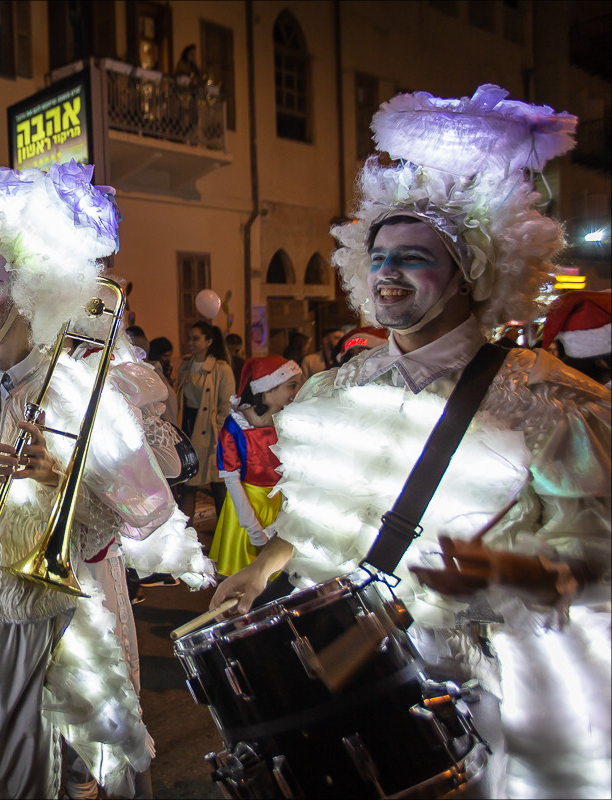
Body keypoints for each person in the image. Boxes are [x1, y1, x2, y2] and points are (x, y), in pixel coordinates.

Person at [211, 85, 609, 798]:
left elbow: (599, 555)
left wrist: (508, 571)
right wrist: (265, 566)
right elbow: (326, 515)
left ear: (471, 271)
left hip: (489, 693)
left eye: (415, 257)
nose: (388, 272)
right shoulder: (333, 391)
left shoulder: (547, 401)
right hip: (346, 676)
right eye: (379, 256)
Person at [0, 162, 213, 799]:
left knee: (27, 780)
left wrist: (58, 477)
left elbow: (135, 513)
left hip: (27, 614)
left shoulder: (80, 392)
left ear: (31, 294)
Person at [209, 355, 300, 578]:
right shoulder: (236, 425)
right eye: (291, 386)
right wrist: (253, 528)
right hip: (246, 508)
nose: (297, 392)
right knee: (245, 577)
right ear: (269, 388)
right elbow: (231, 479)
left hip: (281, 506)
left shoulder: (289, 420)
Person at [173, 320, 234, 518]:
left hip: (211, 432)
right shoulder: (185, 367)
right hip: (188, 427)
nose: (190, 342)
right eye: (190, 338)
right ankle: (185, 531)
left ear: (208, 341)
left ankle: (224, 531)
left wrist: (219, 431)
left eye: (196, 338)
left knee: (218, 484)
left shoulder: (221, 368)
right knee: (189, 485)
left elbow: (226, 404)